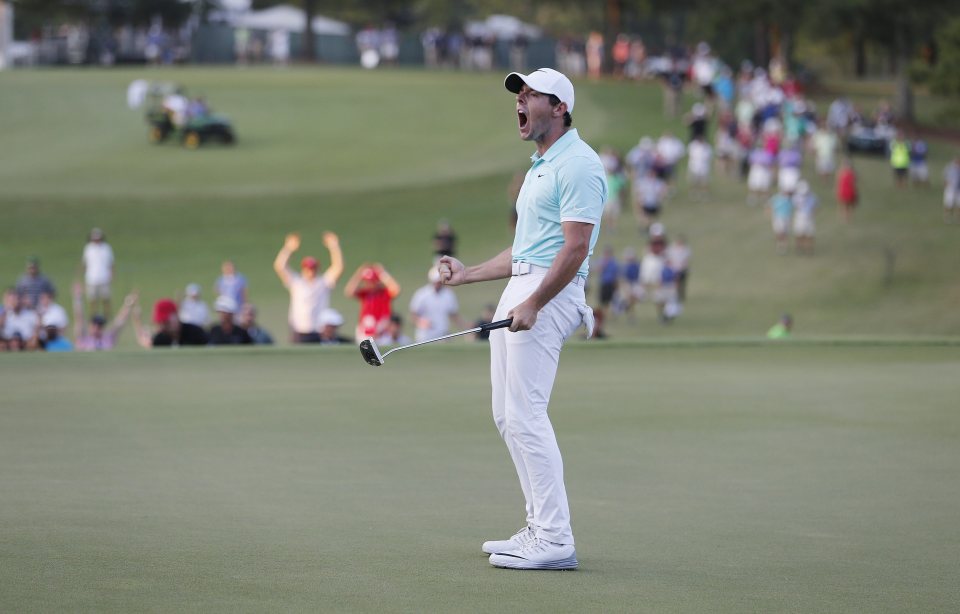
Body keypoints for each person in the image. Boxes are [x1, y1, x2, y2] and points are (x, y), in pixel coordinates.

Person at [438, 68, 604, 571]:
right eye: (520, 94)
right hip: (525, 287)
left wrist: (534, 303)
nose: (521, 101)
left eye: (532, 94)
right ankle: (539, 526)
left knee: (528, 414)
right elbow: (525, 250)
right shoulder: (540, 166)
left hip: (548, 294)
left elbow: (575, 248)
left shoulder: (578, 164)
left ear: (559, 108)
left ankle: (555, 538)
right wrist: (469, 275)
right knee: (508, 416)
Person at [273, 231, 343, 343]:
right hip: (299, 330)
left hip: (320, 330)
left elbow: (338, 267)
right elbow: (280, 266)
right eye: (308, 268)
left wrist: (334, 246)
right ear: (303, 269)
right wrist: (289, 248)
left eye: (313, 268)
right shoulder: (296, 282)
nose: (310, 271)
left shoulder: (323, 282)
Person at [344, 263, 401, 340]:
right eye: (368, 282)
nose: (369, 284)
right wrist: (359, 274)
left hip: (383, 333)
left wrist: (382, 273)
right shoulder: (365, 293)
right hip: (365, 332)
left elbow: (396, 289)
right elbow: (349, 292)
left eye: (372, 281)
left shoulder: (385, 293)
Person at [73, 284, 138, 351]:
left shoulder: (108, 339)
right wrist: (78, 299)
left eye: (100, 325)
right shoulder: (83, 338)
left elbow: (119, 323)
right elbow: (79, 318)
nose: (97, 328)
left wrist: (128, 305)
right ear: (90, 325)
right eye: (94, 325)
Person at [409, 267, 466, 342]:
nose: (438, 284)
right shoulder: (422, 294)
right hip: (425, 335)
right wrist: (421, 322)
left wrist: (465, 327)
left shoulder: (448, 294)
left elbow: (453, 315)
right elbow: (413, 315)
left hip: (443, 334)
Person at [135, 298, 209, 348]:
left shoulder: (195, 333)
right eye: (160, 323)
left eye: (166, 322)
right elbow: (149, 345)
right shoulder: (161, 338)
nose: (163, 326)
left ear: (176, 316)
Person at [81, 227, 114, 319]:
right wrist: (83, 275)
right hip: (91, 277)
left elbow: (111, 262)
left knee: (105, 298)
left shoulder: (106, 248)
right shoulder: (88, 248)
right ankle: (93, 315)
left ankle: (107, 315)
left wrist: (112, 274)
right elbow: (85, 263)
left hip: (104, 277)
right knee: (92, 299)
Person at [792, 180, 818, 255]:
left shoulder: (812, 197)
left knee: (809, 234)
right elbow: (795, 206)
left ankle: (808, 249)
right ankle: (799, 248)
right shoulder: (796, 197)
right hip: (800, 217)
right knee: (799, 234)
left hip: (809, 217)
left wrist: (813, 213)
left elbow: (815, 207)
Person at [768, 187, 795, 254]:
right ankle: (780, 245)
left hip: (786, 217)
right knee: (779, 232)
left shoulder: (789, 199)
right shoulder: (776, 197)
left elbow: (791, 209)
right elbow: (770, 205)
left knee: (784, 232)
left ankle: (783, 246)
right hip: (778, 217)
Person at [836, 157, 859, 223]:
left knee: (845, 205)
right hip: (847, 190)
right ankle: (846, 217)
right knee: (847, 205)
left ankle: (845, 217)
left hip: (846, 190)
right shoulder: (852, 173)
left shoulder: (841, 172)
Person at [943, 156, 960, 224]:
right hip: (951, 188)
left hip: (959, 189)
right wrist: (946, 183)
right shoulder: (950, 168)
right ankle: (947, 217)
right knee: (949, 204)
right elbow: (945, 176)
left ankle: (958, 218)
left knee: (959, 205)